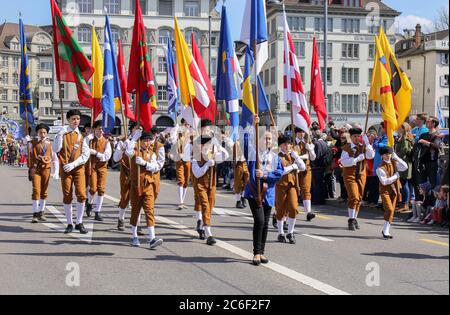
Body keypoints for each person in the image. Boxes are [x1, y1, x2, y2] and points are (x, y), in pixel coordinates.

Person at [244, 124, 283, 266]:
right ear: (259, 140)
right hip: (254, 193)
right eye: (265, 138)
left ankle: (261, 252)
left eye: (269, 139)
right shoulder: (254, 154)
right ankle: (256, 252)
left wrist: (265, 174)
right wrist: (253, 124)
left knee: (265, 223)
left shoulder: (274, 157)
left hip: (269, 193)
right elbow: (246, 141)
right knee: (259, 221)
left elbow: (279, 173)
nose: (267, 141)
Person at [126, 128, 165, 249]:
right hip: (136, 185)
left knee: (149, 210)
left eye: (149, 140)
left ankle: (152, 238)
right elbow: (127, 152)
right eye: (145, 140)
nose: (147, 143)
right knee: (136, 210)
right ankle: (134, 236)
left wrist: (145, 164)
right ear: (140, 141)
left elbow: (155, 167)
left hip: (148, 185)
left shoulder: (152, 153)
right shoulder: (134, 151)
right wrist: (134, 138)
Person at [53, 109, 90, 234]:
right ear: (68, 120)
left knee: (81, 194)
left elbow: (85, 155)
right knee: (67, 195)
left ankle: (79, 222)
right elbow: (55, 148)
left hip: (78, 168)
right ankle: (69, 223)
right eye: (73, 119)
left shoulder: (82, 136)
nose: (76, 121)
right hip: (65, 169)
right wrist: (59, 134)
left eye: (78, 119)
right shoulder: (63, 134)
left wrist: (74, 164)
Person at [192, 135, 229, 246]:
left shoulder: (212, 155)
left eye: (209, 144)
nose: (208, 146)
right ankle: (209, 233)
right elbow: (197, 173)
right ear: (201, 145)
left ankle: (204, 226)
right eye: (206, 144)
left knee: (210, 206)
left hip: (211, 185)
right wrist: (207, 165)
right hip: (200, 185)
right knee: (204, 205)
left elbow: (225, 156)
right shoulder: (196, 157)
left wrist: (219, 145)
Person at [340, 127, 375, 231]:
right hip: (350, 174)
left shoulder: (363, 146)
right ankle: (351, 219)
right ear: (351, 137)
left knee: (359, 198)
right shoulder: (346, 148)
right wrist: (356, 159)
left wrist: (367, 143)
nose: (356, 138)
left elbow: (370, 156)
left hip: (361, 174)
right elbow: (344, 162)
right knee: (354, 196)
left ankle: (354, 218)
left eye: (358, 136)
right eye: (354, 136)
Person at [275, 134, 306, 244]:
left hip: (292, 185)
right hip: (280, 185)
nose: (288, 146)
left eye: (289, 144)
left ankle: (291, 232)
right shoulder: (277, 156)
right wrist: (293, 167)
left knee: (293, 207)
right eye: (285, 144)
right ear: (281, 146)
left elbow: (303, 167)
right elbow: (280, 171)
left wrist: (296, 157)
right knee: (280, 209)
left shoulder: (293, 156)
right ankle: (280, 232)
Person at [26, 123, 59, 223]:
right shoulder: (32, 143)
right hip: (35, 169)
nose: (42, 134)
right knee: (36, 190)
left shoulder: (50, 144)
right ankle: (35, 213)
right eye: (40, 132)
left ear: (47, 133)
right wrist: (26, 142)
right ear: (37, 133)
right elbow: (25, 151)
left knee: (44, 191)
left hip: (46, 169)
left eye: (44, 132)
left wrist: (56, 171)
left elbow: (55, 159)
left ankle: (41, 212)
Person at [376, 147, 408, 239]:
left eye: (389, 154)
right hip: (385, 191)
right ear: (382, 155)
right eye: (386, 154)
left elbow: (405, 167)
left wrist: (397, 157)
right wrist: (395, 176)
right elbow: (384, 182)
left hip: (394, 191)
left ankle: (386, 231)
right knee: (389, 209)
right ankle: (385, 231)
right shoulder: (380, 168)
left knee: (391, 211)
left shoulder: (394, 163)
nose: (388, 156)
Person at [113, 121, 138, 231]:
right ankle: (121, 218)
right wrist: (122, 148)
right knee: (125, 197)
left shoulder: (143, 141)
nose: (138, 131)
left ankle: (136, 222)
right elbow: (115, 159)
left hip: (138, 173)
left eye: (140, 129)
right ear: (131, 129)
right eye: (136, 128)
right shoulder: (124, 141)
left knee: (138, 198)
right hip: (126, 172)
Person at [84, 120, 112, 221]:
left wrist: (95, 153)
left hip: (102, 167)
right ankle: (89, 203)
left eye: (102, 129)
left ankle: (97, 212)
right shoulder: (89, 140)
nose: (101, 130)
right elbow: (84, 151)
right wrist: (88, 140)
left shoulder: (106, 142)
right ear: (94, 129)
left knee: (101, 189)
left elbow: (106, 157)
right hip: (92, 166)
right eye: (99, 128)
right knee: (93, 189)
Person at [293, 127, 316, 221]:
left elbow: (313, 158)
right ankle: (289, 210)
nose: (302, 134)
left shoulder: (308, 143)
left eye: (303, 132)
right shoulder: (292, 143)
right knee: (294, 190)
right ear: (296, 133)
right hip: (295, 170)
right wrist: (302, 156)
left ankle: (308, 212)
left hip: (306, 169)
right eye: (299, 132)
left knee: (306, 190)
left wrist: (310, 150)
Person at [170, 119, 193, 210]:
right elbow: (173, 139)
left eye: (188, 125)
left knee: (186, 180)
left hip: (188, 159)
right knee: (180, 179)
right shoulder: (178, 135)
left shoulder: (191, 135)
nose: (187, 126)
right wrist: (175, 129)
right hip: (179, 159)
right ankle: (180, 201)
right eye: (186, 124)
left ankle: (182, 201)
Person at [395, 123, 414, 213]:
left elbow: (405, 149)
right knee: (406, 183)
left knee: (404, 183)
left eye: (399, 127)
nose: (398, 128)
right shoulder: (402, 137)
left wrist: (396, 156)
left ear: (403, 128)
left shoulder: (405, 138)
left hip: (404, 163)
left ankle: (405, 204)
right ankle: (406, 202)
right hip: (403, 162)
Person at [233, 140, 250, 209]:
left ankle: (243, 197)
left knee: (247, 181)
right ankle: (238, 201)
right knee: (238, 182)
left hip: (247, 163)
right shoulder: (237, 142)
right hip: (239, 163)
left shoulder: (250, 140)